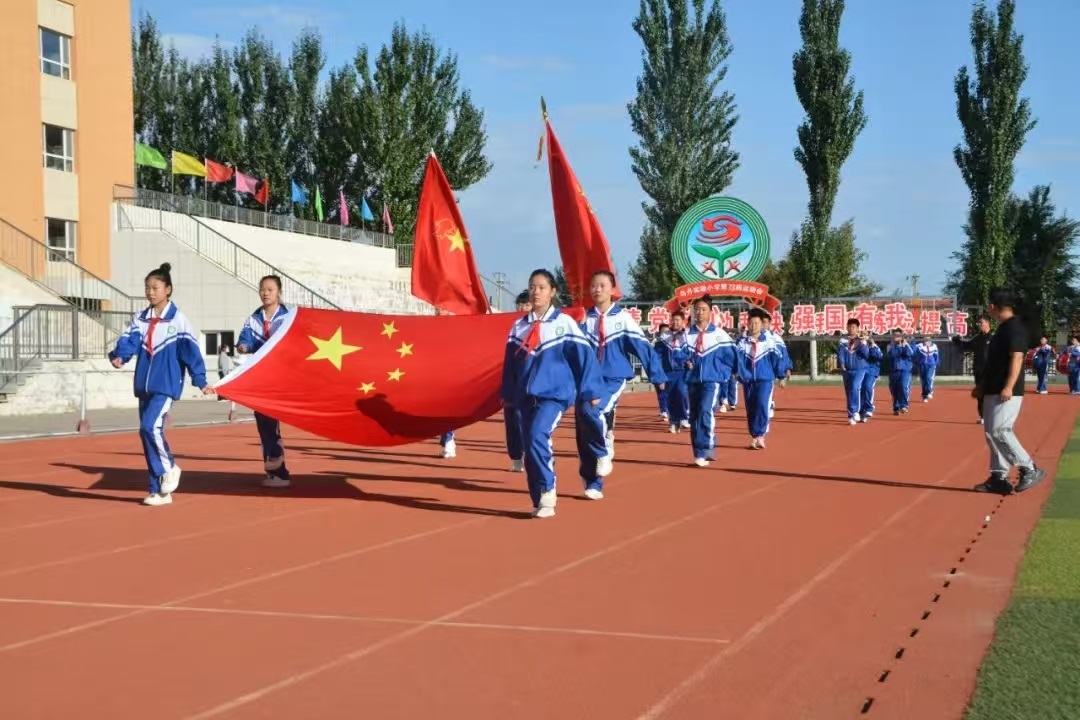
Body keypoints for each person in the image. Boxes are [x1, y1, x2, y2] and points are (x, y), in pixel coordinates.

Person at [108, 263, 214, 506]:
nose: (150, 292)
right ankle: (159, 491)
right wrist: (120, 356)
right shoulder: (141, 318)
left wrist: (201, 381)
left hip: (165, 385)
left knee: (149, 428)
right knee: (147, 434)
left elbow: (191, 353)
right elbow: (129, 341)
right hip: (143, 387)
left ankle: (170, 468)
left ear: (168, 289)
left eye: (155, 287)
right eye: (147, 288)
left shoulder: (179, 320)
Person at [501, 269, 604, 517]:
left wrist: (591, 389)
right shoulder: (519, 326)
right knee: (530, 445)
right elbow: (510, 364)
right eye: (532, 287)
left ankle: (548, 492)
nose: (536, 292)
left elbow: (585, 358)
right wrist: (507, 392)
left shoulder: (564, 323)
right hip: (526, 396)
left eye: (541, 287)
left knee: (538, 435)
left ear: (553, 292)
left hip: (554, 395)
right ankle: (538, 499)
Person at [576, 270, 667, 492]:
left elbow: (642, 347)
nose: (597, 289)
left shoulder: (623, 318)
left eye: (602, 285)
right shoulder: (583, 319)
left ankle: (604, 449)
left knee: (592, 412)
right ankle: (593, 482)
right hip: (587, 380)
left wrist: (657, 376)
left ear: (612, 290)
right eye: (594, 286)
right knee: (582, 430)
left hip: (613, 377)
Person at [973, 288, 1046, 495]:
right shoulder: (1003, 328)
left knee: (1000, 431)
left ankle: (1029, 468)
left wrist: (1009, 386)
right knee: (991, 433)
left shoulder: (1015, 328)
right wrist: (982, 386)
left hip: (1007, 390)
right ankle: (998, 477)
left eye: (989, 304)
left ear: (994, 307)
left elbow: (1017, 357)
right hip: (993, 387)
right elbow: (995, 361)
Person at [236, 275, 294, 487]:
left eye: (270, 289)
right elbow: (245, 338)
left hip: (280, 377)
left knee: (268, 421)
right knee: (263, 421)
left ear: (279, 292)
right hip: (261, 376)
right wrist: (243, 345)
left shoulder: (288, 317)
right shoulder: (254, 318)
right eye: (262, 289)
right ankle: (275, 470)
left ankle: (277, 466)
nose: (266, 293)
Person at [684, 296, 737, 466]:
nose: (699, 312)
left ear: (710, 312)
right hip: (692, 380)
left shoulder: (719, 334)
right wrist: (684, 361)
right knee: (694, 416)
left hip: (711, 381)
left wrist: (728, 372)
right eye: (696, 309)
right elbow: (677, 355)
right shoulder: (686, 335)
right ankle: (699, 452)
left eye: (703, 309)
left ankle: (708, 447)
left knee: (705, 410)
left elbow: (732, 357)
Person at [734, 308, 786, 449]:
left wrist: (781, 375)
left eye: (756, 323)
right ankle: (754, 435)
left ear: (761, 325)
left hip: (765, 379)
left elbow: (778, 360)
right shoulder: (742, 343)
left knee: (762, 405)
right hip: (748, 380)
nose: (753, 326)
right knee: (751, 408)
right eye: (751, 323)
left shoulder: (769, 342)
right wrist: (737, 373)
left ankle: (761, 435)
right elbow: (736, 360)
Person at [502, 291, 532, 472]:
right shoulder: (513, 325)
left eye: (526, 305)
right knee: (512, 418)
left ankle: (531, 452)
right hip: (511, 378)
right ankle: (516, 456)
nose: (522, 308)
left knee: (529, 419)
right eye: (520, 305)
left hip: (531, 379)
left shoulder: (541, 324)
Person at [952, 315, 992, 423]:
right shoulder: (978, 338)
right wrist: (957, 340)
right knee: (980, 394)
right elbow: (966, 346)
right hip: (979, 371)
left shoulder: (994, 337)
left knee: (992, 394)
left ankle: (994, 416)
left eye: (981, 322)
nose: (979, 325)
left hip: (992, 371)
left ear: (988, 323)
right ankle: (982, 416)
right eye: (978, 323)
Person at [656, 312, 692, 433]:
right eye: (673, 320)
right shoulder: (664, 336)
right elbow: (657, 355)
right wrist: (659, 373)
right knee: (670, 397)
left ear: (683, 322)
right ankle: (673, 422)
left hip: (682, 371)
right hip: (668, 372)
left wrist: (689, 361)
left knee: (681, 393)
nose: (675, 322)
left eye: (678, 320)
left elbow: (693, 352)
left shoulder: (688, 335)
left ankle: (683, 417)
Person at [837, 318, 870, 425]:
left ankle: (856, 411)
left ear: (857, 328)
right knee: (849, 392)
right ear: (847, 327)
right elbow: (841, 353)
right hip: (847, 370)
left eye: (854, 327)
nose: (851, 329)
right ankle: (851, 415)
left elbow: (866, 354)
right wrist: (841, 364)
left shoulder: (861, 340)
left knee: (855, 387)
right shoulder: (843, 341)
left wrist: (863, 341)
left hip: (859, 369)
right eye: (849, 327)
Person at [886, 329, 914, 415]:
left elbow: (910, 353)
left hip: (905, 370)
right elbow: (893, 354)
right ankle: (896, 407)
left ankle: (904, 405)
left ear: (901, 337)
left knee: (903, 386)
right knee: (894, 390)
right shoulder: (890, 346)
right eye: (895, 335)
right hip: (893, 371)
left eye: (898, 335)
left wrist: (904, 345)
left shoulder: (906, 345)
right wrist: (898, 346)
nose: (896, 337)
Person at [860, 336, 884, 420]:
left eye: (866, 335)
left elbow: (879, 357)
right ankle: (862, 411)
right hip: (860, 370)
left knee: (867, 386)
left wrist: (872, 345)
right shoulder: (859, 345)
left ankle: (869, 408)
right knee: (859, 389)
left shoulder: (875, 347)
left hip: (872, 371)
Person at [652, 322, 671, 420]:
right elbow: (656, 359)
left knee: (670, 392)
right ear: (660, 332)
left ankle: (669, 411)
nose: (665, 334)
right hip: (660, 371)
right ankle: (664, 410)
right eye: (663, 332)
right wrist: (658, 373)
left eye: (667, 332)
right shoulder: (658, 344)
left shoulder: (673, 343)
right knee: (661, 392)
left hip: (670, 372)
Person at [914, 336, 939, 401]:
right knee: (923, 380)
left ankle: (929, 391)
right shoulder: (919, 346)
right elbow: (913, 351)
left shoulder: (934, 346)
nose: (927, 340)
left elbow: (936, 355)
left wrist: (935, 363)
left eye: (928, 339)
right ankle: (924, 395)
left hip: (931, 365)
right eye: (925, 339)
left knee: (928, 378)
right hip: (922, 365)